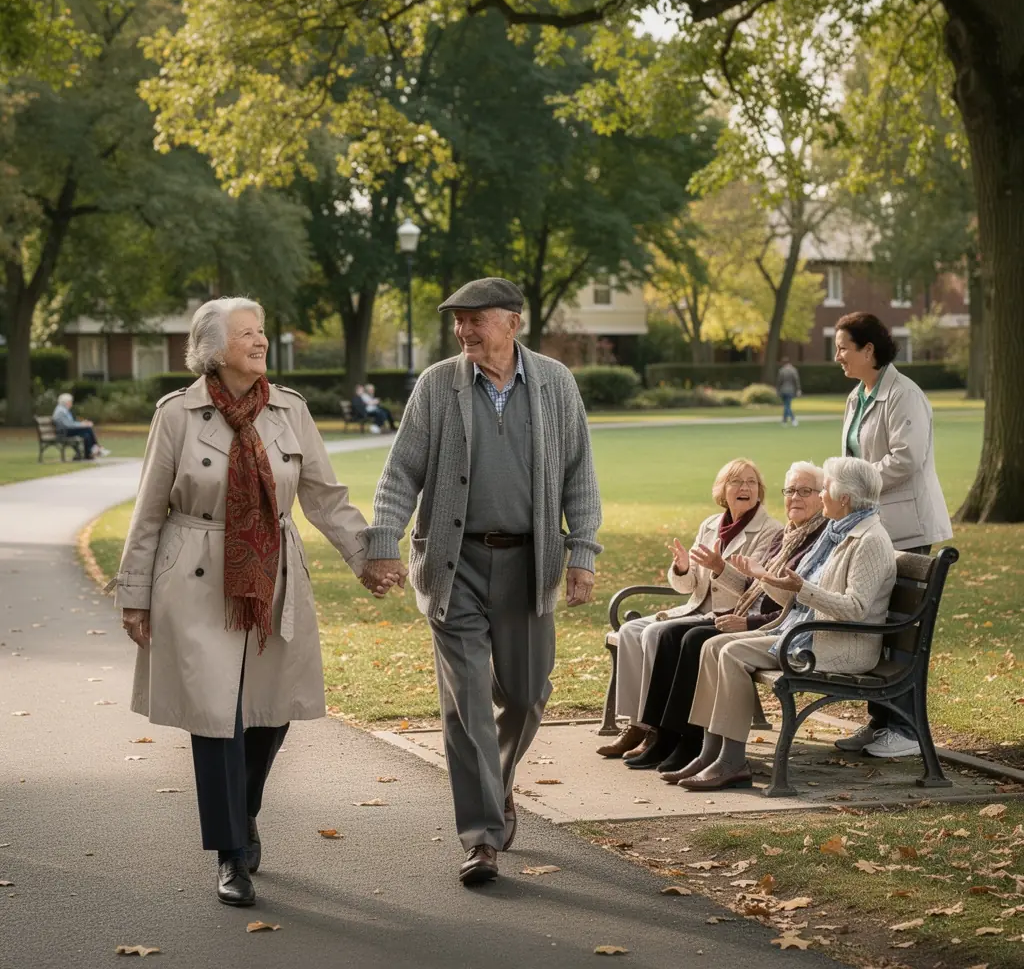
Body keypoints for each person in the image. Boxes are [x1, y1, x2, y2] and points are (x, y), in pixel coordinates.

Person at [106, 297, 381, 908]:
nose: (260, 342)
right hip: (194, 579)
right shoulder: (177, 415)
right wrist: (135, 594)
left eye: (261, 332)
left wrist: (367, 558)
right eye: (246, 334)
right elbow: (150, 508)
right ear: (214, 348)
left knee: (269, 713)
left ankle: (246, 808)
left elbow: (325, 498)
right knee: (216, 717)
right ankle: (231, 853)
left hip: (273, 577)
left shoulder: (289, 411)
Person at [361, 276, 601, 886]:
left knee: (524, 695)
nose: (464, 330)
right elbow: (400, 473)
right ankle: (482, 836)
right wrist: (383, 541)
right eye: (458, 321)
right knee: (467, 702)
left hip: (530, 563)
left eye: (476, 319)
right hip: (454, 564)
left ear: (513, 321)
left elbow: (579, 476)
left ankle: (498, 781)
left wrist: (583, 553)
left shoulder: (555, 383)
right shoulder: (438, 385)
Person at [676, 456, 896, 792]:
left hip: (838, 644)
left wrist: (802, 589)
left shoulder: (869, 540)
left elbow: (855, 608)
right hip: (805, 633)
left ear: (845, 499)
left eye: (823, 490)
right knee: (712, 646)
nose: (821, 496)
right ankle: (710, 753)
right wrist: (763, 577)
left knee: (731, 653)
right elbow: (792, 599)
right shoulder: (838, 533)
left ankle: (732, 761)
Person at [639, 462, 827, 775]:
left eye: (805, 491)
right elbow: (753, 587)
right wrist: (695, 567)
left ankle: (689, 739)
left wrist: (749, 621)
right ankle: (665, 735)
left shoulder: (796, 536)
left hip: (769, 626)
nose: (795, 497)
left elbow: (792, 603)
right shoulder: (788, 537)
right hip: (745, 616)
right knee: (672, 635)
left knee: (692, 639)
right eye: (791, 491)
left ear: (823, 497)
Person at [595, 459, 780, 769]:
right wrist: (682, 567)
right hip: (694, 608)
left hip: (728, 614)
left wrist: (720, 568)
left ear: (760, 491)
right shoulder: (710, 524)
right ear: (722, 491)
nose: (745, 488)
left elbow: (755, 590)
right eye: (736, 482)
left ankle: (656, 729)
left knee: (657, 633)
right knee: (630, 631)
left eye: (751, 482)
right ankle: (638, 724)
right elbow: (688, 584)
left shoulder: (769, 531)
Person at [833, 311, 952, 759]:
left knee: (903, 630)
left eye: (844, 347)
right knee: (875, 624)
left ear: (869, 350)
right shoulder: (857, 396)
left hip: (907, 527)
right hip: (872, 526)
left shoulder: (906, 396)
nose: (838, 356)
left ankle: (902, 729)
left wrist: (855, 484)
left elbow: (907, 460)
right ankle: (879, 720)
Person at [52, 393, 110, 458]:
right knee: (87, 428)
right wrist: (82, 424)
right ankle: (96, 448)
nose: (71, 403)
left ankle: (88, 454)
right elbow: (68, 425)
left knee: (86, 435)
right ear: (66, 402)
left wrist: (82, 424)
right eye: (70, 402)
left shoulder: (63, 409)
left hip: (66, 431)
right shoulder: (61, 411)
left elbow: (70, 423)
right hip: (63, 433)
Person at [776, 356, 802, 426]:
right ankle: (790, 420)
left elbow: (779, 382)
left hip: (783, 390)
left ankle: (785, 421)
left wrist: (777, 390)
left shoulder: (782, 370)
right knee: (787, 406)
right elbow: (796, 381)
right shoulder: (793, 370)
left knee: (786, 406)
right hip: (790, 390)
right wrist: (798, 389)